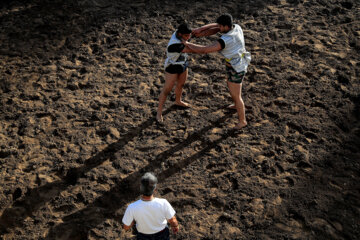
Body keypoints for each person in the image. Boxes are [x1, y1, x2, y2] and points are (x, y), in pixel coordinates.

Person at [184, 13, 251, 129]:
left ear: (226, 26)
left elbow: (204, 50)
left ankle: (242, 121)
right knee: (232, 89)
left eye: (221, 26)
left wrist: (187, 44)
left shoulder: (226, 40)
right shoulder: (236, 27)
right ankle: (236, 105)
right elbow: (215, 27)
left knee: (236, 94)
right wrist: (201, 29)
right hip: (237, 63)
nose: (219, 28)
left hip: (236, 68)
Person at [156, 23, 195, 123]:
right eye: (186, 36)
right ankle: (159, 112)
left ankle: (178, 101)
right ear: (180, 34)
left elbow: (197, 32)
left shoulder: (181, 34)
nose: (188, 37)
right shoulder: (174, 45)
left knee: (181, 84)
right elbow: (194, 50)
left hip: (183, 63)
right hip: (172, 67)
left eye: (189, 35)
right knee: (167, 90)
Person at [122, 172, 179, 240]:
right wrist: (175, 226)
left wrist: (133, 221)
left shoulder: (132, 207)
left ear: (141, 188)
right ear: (154, 190)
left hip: (143, 237)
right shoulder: (163, 203)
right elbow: (172, 220)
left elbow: (126, 227)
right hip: (162, 235)